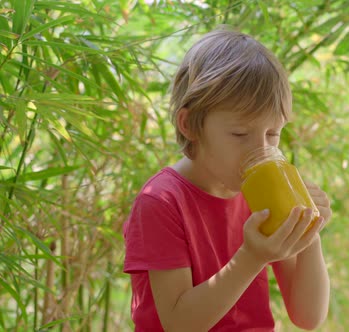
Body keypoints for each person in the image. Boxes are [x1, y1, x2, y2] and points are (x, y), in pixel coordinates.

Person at [123, 27, 332, 331]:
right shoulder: (161, 202)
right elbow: (179, 324)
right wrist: (251, 257)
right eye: (240, 134)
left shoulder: (263, 192)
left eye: (273, 134)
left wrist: (309, 234)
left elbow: (309, 316)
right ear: (189, 125)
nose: (261, 150)